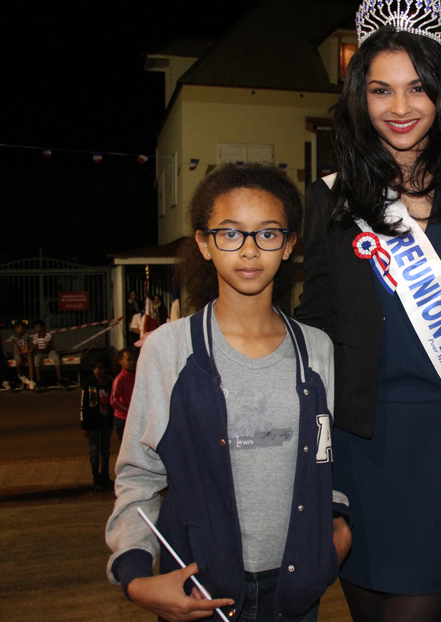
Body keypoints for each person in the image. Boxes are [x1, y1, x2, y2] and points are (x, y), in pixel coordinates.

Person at [297, 0, 441, 622]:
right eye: (381, 89)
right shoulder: (329, 199)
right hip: (362, 439)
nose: (400, 106)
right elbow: (314, 324)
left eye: (418, 87)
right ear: (360, 98)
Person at [106, 163, 349, 622]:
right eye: (231, 233)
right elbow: (138, 475)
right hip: (201, 592)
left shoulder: (315, 349)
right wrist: (136, 575)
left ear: (290, 244)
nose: (251, 251)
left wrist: (337, 530)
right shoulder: (169, 349)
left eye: (268, 234)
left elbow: (329, 457)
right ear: (204, 243)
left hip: (297, 594)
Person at [81, 355, 115, 489]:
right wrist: (84, 425)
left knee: (105, 451)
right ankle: (96, 477)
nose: (98, 371)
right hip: (93, 423)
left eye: (101, 368)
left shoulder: (111, 383)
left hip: (106, 422)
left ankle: (105, 476)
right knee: (95, 451)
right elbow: (83, 405)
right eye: (95, 368)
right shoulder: (89, 385)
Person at [109, 348, 136, 442]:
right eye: (129, 360)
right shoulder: (120, 379)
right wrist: (129, 411)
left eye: (134, 360)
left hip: (135, 417)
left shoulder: (137, 376)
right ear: (120, 361)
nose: (132, 362)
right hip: (123, 419)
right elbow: (113, 400)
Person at [31, 321, 62, 388]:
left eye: (38, 327)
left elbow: (47, 346)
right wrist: (33, 350)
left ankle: (59, 379)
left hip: (49, 351)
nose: (36, 329)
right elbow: (35, 346)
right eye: (35, 327)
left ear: (43, 327)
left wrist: (38, 350)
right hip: (40, 352)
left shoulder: (48, 335)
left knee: (56, 358)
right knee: (36, 360)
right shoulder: (35, 336)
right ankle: (38, 381)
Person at [10, 321, 36, 390]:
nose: (23, 330)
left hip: (25, 351)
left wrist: (25, 351)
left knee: (30, 359)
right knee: (18, 361)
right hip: (19, 352)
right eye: (21, 328)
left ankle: (31, 380)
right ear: (16, 329)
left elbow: (26, 347)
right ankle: (20, 374)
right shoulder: (13, 337)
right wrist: (23, 351)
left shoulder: (25, 335)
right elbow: (16, 350)